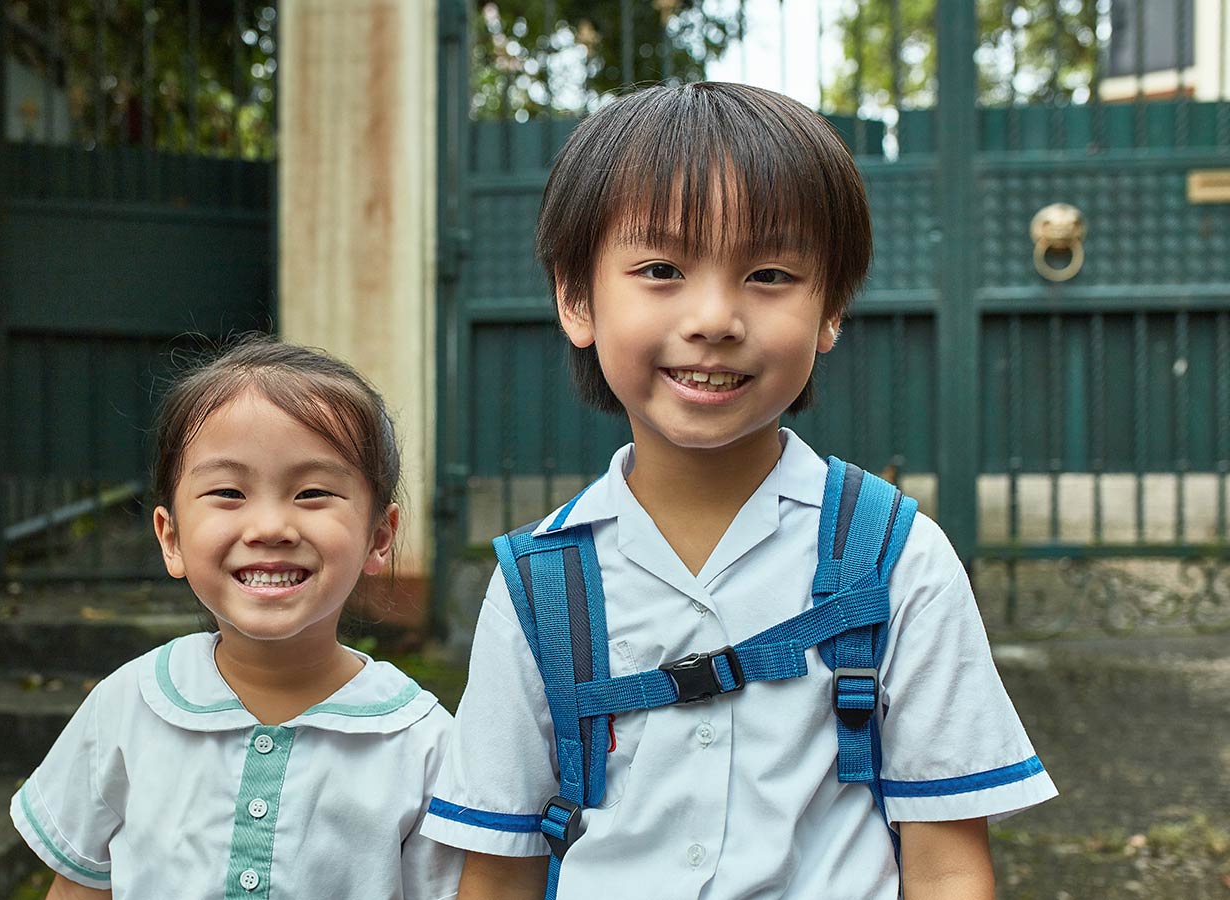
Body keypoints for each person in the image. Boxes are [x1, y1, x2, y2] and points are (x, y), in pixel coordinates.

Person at [421, 82, 1056, 899]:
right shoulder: (540, 585)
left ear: (831, 310)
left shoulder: (895, 561)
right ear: (576, 298)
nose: (715, 317)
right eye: (661, 269)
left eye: (768, 273)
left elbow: (949, 866)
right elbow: (497, 873)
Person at [11, 336, 464, 899]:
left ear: (379, 536)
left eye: (313, 492)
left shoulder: (421, 743)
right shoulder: (126, 707)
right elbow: (78, 888)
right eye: (228, 491)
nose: (270, 526)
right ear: (170, 538)